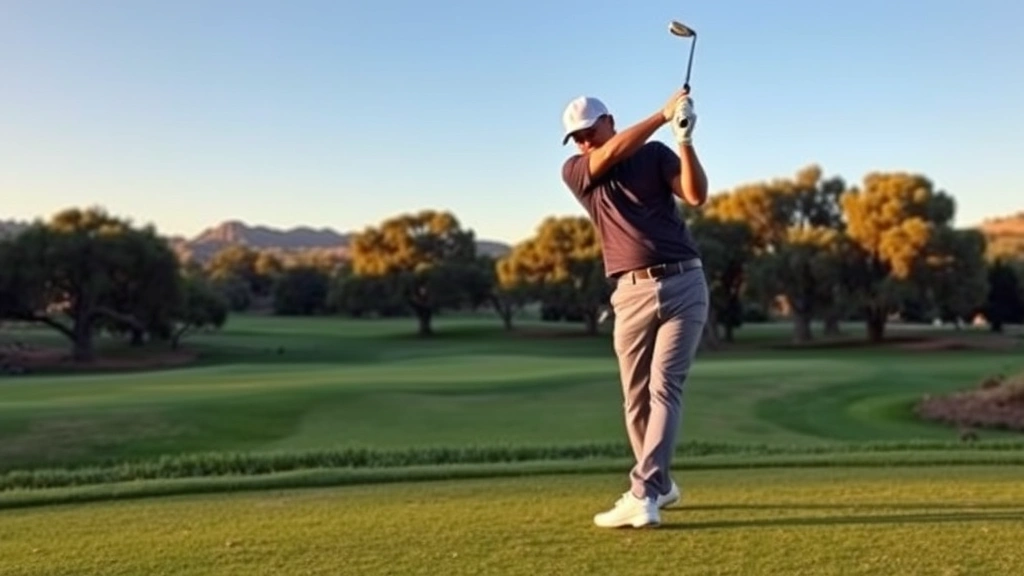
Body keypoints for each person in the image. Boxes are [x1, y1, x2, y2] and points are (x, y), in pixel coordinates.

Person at [560, 89, 709, 528]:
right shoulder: (577, 171)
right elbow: (605, 157)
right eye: (578, 138)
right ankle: (661, 485)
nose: (586, 142)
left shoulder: (654, 154)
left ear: (610, 121)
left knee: (665, 387)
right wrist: (662, 115)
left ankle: (644, 491)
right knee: (635, 398)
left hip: (686, 282)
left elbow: (695, 195)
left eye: (590, 132)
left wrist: (684, 139)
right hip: (630, 293)